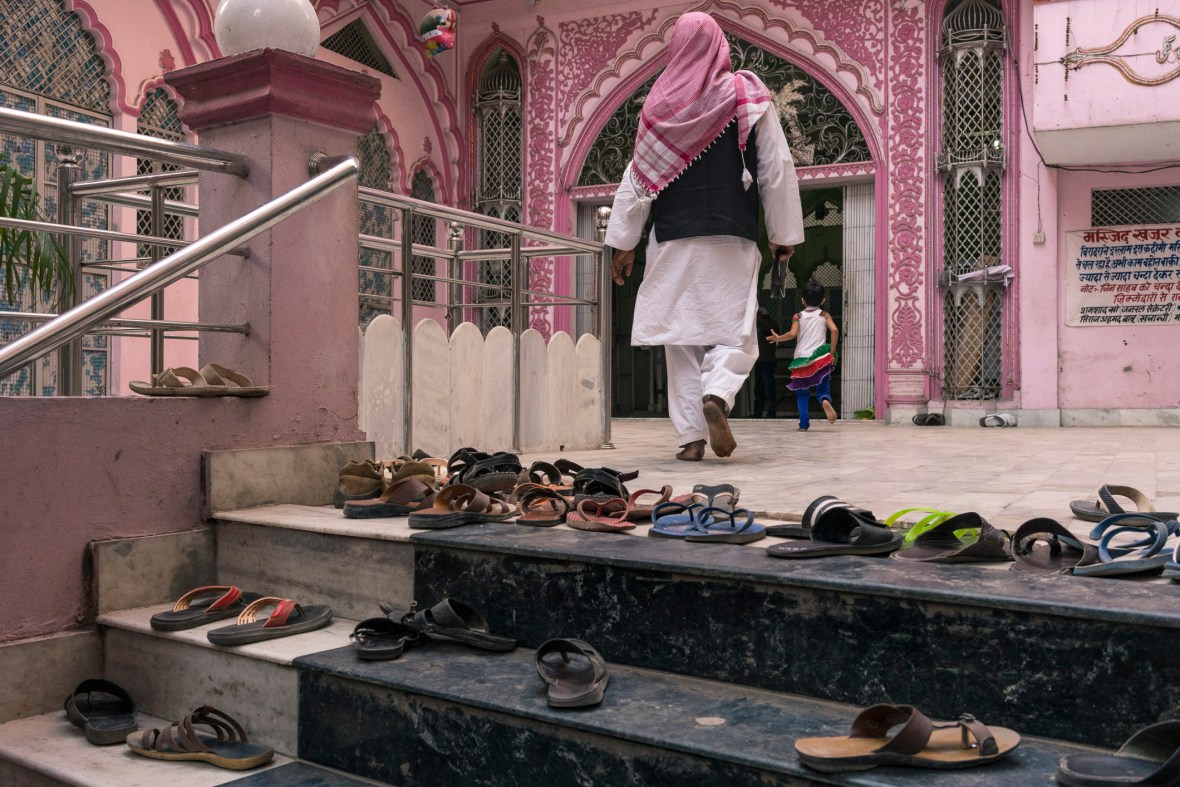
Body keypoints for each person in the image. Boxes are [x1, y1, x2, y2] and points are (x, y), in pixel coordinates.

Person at [604, 12, 804, 461]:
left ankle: (690, 439)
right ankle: (717, 393)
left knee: (681, 339)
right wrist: (782, 233)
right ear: (719, 46)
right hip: (732, 236)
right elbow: (775, 168)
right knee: (737, 331)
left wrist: (623, 244)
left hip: (671, 239)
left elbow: (637, 181)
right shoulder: (747, 97)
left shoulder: (659, 107)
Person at [770, 280, 839, 431]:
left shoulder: (798, 316)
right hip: (820, 358)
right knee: (822, 389)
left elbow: (792, 334)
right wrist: (831, 352)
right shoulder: (824, 315)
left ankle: (803, 424)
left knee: (802, 393)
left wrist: (778, 338)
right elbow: (834, 330)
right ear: (823, 300)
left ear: (802, 300)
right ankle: (825, 400)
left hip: (801, 359)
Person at [752, 307, 780, 418]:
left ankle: (771, 412)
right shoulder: (757, 325)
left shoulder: (771, 324)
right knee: (758, 389)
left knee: (769, 388)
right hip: (758, 361)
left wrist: (762, 321)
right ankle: (757, 413)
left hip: (768, 361)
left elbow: (771, 333)